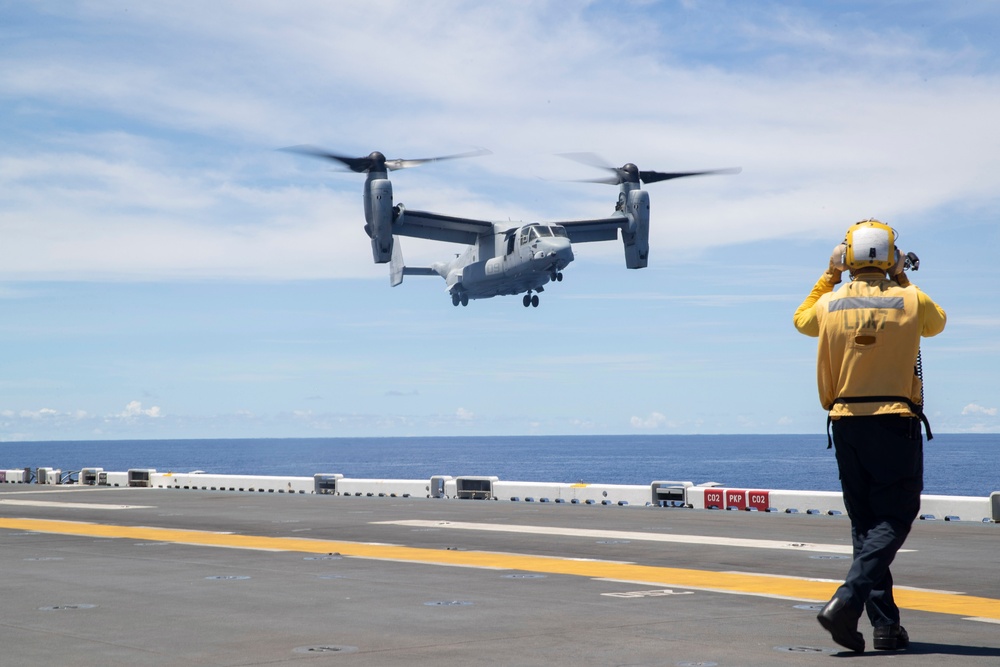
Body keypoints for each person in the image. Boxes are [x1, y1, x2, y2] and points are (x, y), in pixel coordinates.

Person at [793, 219, 946, 653]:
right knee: (895, 517)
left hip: (845, 422)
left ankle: (884, 626)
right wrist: (902, 275)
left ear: (847, 257)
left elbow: (802, 320)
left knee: (866, 525)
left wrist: (829, 273)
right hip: (894, 420)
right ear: (892, 256)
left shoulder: (831, 303)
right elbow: (937, 323)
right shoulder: (910, 300)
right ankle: (847, 600)